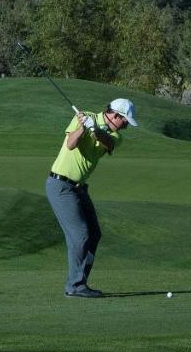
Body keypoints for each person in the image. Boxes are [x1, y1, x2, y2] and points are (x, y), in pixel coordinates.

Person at [45, 97, 139, 297]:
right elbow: (71, 144)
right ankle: (75, 286)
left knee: (94, 234)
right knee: (80, 235)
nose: (126, 127)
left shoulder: (115, 135)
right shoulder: (83, 116)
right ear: (115, 115)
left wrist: (95, 129)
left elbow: (108, 142)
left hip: (79, 189)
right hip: (61, 185)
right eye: (125, 121)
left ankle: (79, 282)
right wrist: (82, 127)